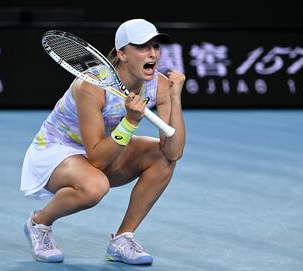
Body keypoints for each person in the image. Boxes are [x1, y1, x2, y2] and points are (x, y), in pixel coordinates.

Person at [20, 18, 186, 265]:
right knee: (95, 186)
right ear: (122, 54)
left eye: (155, 46)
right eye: (142, 47)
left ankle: (122, 238)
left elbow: (174, 151)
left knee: (162, 157)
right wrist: (130, 121)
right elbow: (97, 159)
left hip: (105, 145)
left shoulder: (159, 85)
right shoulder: (90, 85)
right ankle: (39, 223)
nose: (152, 54)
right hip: (57, 150)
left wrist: (175, 97)